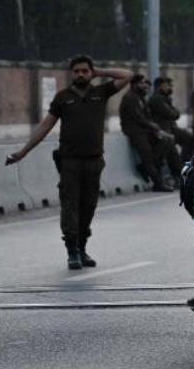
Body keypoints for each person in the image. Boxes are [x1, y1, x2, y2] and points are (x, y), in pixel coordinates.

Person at [7, 56, 131, 270]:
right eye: (76, 71)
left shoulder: (101, 92)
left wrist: (99, 71)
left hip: (94, 161)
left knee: (88, 206)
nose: (80, 74)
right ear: (71, 74)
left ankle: (82, 247)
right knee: (70, 205)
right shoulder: (62, 98)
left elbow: (127, 76)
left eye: (85, 71)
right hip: (70, 162)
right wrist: (23, 152)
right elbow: (45, 126)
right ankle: (72, 251)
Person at [119, 74, 175, 192]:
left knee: (165, 142)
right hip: (135, 131)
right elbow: (137, 117)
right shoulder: (130, 98)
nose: (145, 85)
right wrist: (151, 125)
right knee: (147, 155)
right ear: (134, 85)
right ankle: (158, 183)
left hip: (145, 129)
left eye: (145, 83)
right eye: (142, 83)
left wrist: (153, 126)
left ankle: (144, 168)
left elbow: (147, 115)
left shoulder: (140, 97)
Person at [148, 76, 194, 166]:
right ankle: (177, 168)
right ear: (158, 87)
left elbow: (175, 113)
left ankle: (183, 163)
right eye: (165, 86)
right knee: (171, 147)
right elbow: (173, 114)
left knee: (189, 138)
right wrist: (174, 111)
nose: (167, 88)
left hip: (170, 127)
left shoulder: (164, 98)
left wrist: (174, 111)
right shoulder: (156, 99)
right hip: (163, 129)